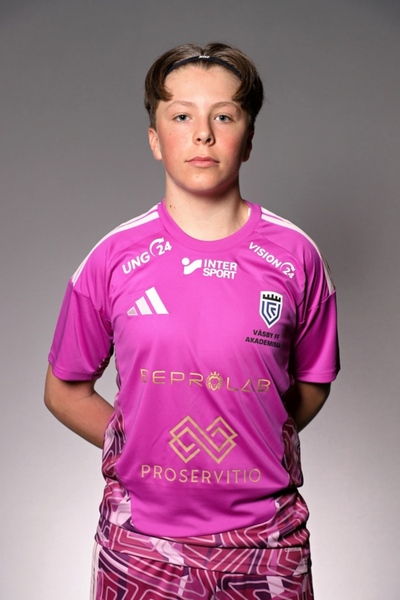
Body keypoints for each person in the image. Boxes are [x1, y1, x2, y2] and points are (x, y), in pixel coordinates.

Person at [45, 42, 340, 599]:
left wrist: (254, 436)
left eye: (223, 116)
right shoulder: (112, 258)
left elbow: (313, 383)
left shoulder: (297, 256)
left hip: (266, 542)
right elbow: (64, 390)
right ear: (155, 139)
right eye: (181, 116)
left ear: (248, 138)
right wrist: (138, 442)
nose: (202, 134)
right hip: (140, 543)